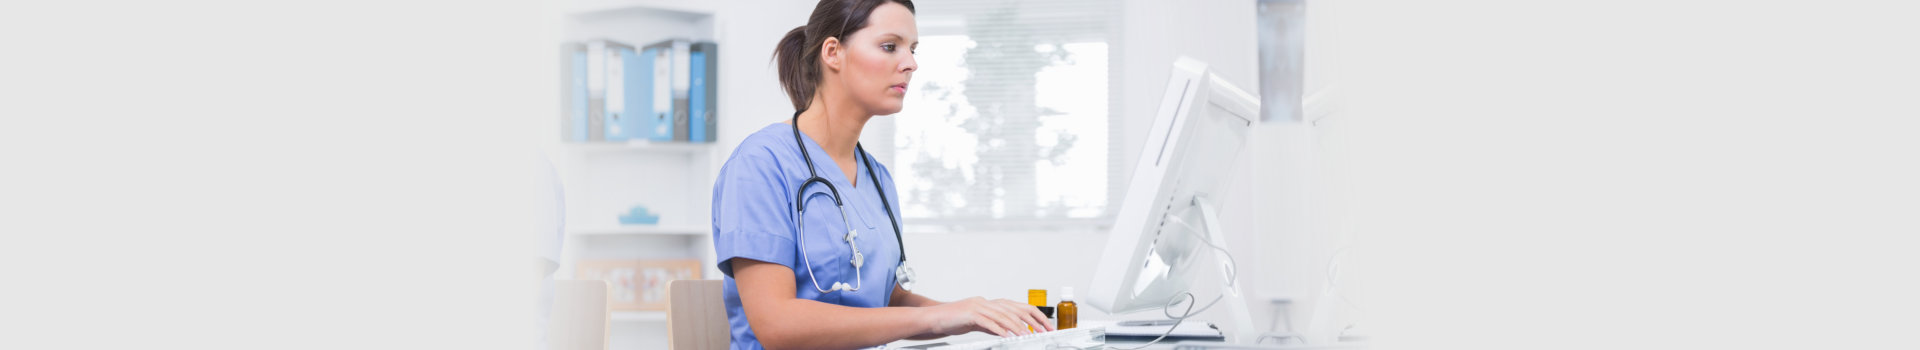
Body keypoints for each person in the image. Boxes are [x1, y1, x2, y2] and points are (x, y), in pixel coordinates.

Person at [710, 0, 1054, 349]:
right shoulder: (760, 165)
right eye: (890, 46)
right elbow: (777, 325)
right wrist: (941, 317)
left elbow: (888, 302)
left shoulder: (877, 177)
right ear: (833, 53)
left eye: (913, 49)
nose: (911, 63)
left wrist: (973, 315)